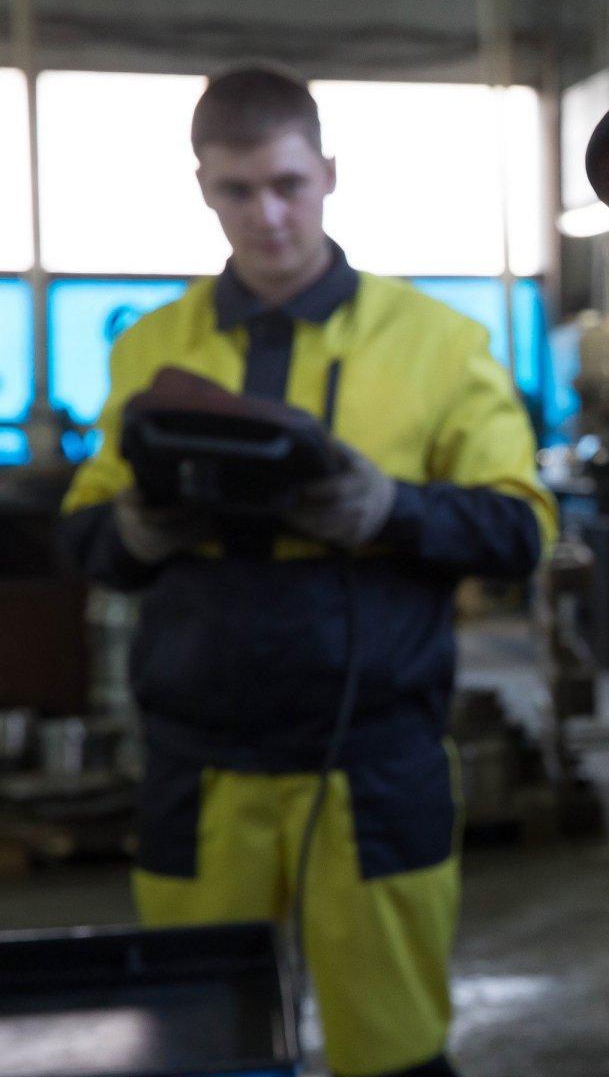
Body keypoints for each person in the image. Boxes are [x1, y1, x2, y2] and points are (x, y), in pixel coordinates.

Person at [60, 64, 556, 1077]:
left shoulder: (438, 346)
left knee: (397, 1054)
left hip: (373, 766)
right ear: (202, 187)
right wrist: (139, 530)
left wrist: (394, 510)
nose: (267, 214)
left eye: (287, 183)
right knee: (201, 1046)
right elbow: (83, 535)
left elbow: (520, 529)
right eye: (237, 190)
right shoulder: (153, 351)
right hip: (200, 767)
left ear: (329, 172)